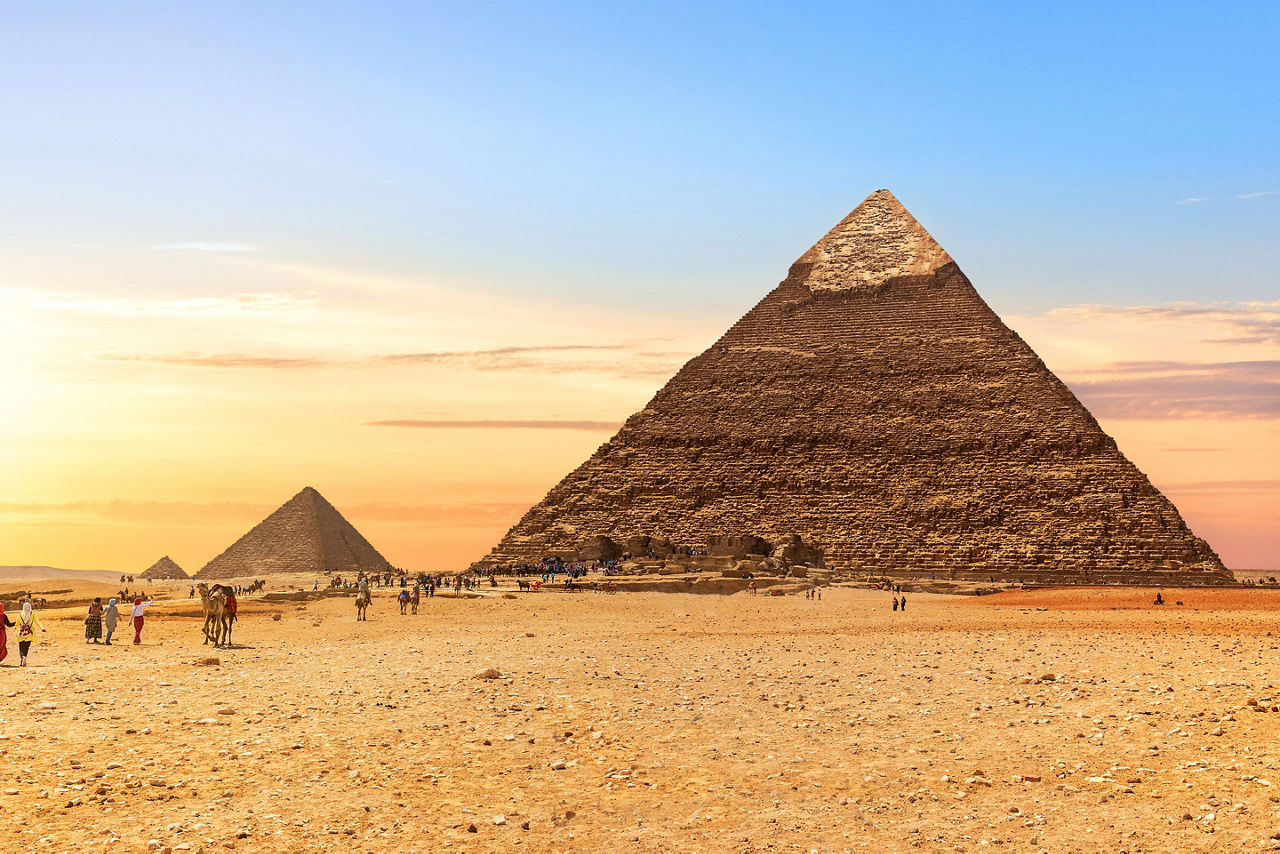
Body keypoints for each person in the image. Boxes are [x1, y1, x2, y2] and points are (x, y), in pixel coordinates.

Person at [16, 601, 44, 666]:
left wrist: (15, 627)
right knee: (26, 647)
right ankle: (25, 656)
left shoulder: (20, 614)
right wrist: (42, 628)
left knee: (21, 647)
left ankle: (22, 657)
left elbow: (17, 623)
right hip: (30, 634)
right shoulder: (32, 614)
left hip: (22, 634)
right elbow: (37, 621)